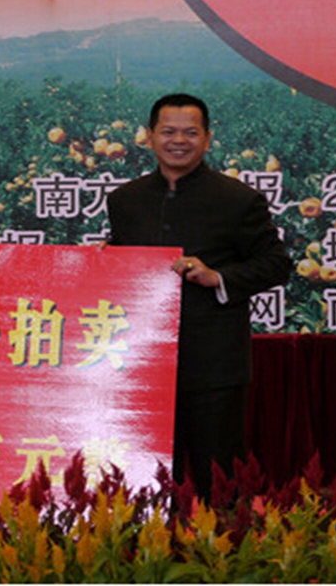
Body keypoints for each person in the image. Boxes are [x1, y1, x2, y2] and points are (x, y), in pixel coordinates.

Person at [106, 93, 292, 499]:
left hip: (214, 366)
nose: (179, 141)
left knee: (219, 484)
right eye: (168, 131)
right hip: (140, 362)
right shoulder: (125, 200)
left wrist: (218, 277)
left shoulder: (237, 199)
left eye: (190, 133)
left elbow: (277, 264)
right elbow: (116, 261)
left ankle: (222, 540)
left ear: (207, 139)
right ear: (149, 136)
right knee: (142, 481)